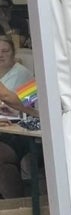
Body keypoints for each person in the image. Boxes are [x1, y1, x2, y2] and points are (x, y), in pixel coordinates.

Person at [0, 36, 36, 196]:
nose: (0, 55)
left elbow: (30, 103)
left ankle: (16, 204)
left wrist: (27, 111)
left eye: (5, 51)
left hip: (16, 130)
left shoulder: (24, 74)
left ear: (13, 54)